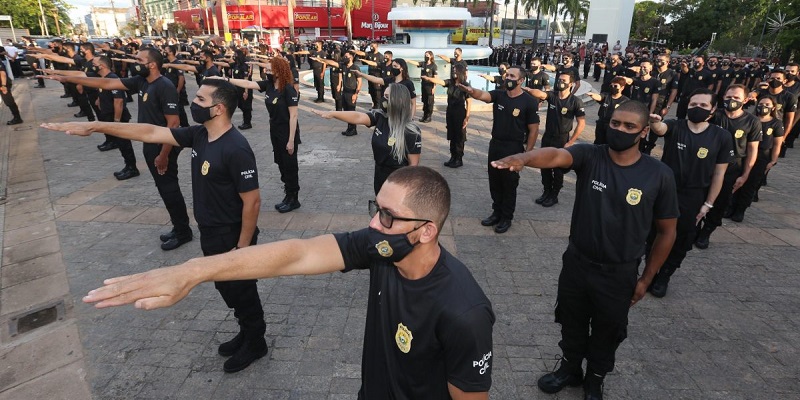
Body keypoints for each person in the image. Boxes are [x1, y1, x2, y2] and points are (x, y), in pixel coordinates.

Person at [80, 166, 494, 399]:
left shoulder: (463, 311)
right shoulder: (383, 247)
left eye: (386, 215)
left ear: (425, 231)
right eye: (375, 208)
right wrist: (193, 271)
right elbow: (298, 252)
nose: (372, 223)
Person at [43, 79, 268, 374]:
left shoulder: (236, 147)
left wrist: (242, 248)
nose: (192, 103)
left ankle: (256, 341)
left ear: (219, 108)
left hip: (232, 235)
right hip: (210, 231)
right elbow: (150, 131)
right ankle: (245, 329)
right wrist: (98, 126)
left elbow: (252, 202)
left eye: (200, 100)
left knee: (242, 290)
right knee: (226, 288)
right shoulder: (200, 135)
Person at [492, 101, 679, 400]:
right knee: (571, 320)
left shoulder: (659, 174)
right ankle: (569, 369)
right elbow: (556, 154)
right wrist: (524, 157)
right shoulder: (591, 155)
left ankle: (594, 379)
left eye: (629, 126)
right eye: (615, 123)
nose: (619, 129)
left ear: (644, 132)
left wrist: (646, 279)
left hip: (619, 272)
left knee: (608, 330)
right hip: (577, 264)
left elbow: (667, 232)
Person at [39, 48, 193, 251]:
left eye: (139, 59)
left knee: (168, 187)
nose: (134, 62)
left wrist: (164, 154)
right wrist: (65, 78)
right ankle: (178, 226)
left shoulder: (164, 86)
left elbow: (173, 123)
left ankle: (183, 232)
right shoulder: (142, 82)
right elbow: (105, 83)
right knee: (163, 187)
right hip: (149, 142)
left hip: (163, 145)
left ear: (152, 64)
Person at [645, 89, 733, 297]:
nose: (697, 108)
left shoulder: (721, 136)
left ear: (713, 109)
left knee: (682, 238)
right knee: (652, 234)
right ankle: (649, 273)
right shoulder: (676, 126)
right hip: (665, 192)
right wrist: (653, 121)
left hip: (694, 196)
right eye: (693, 104)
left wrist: (708, 204)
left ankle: (664, 275)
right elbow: (660, 129)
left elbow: (719, 174)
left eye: (703, 105)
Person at [461, 66, 539, 233]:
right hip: (495, 144)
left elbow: (533, 129)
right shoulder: (499, 94)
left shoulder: (529, 102)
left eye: (512, 76)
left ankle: (506, 217)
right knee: (494, 181)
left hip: (514, 147)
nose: (508, 78)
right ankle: (496, 213)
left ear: (521, 80)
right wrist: (471, 90)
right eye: (507, 75)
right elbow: (483, 95)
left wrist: (527, 155)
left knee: (509, 184)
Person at [219, 56, 302, 213]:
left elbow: (294, 116)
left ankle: (294, 198)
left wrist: (291, 140)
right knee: (281, 164)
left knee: (290, 166)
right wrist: (227, 80)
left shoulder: (288, 89)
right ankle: (288, 194)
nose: (267, 71)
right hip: (275, 131)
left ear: (279, 71)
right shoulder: (269, 85)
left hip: (287, 133)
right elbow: (248, 83)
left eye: (270, 69)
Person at [313, 83, 421, 195]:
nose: (384, 99)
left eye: (388, 97)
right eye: (384, 95)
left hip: (399, 181)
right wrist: (332, 114)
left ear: (398, 100)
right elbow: (358, 117)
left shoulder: (411, 131)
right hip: (379, 175)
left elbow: (413, 166)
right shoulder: (380, 117)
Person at [695, 85, 762, 249]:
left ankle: (706, 232)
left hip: (732, 168)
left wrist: (745, 174)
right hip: (706, 163)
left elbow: (752, 150)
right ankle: (694, 229)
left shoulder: (752, 121)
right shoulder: (713, 116)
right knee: (698, 198)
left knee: (720, 203)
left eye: (737, 98)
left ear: (745, 100)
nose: (732, 101)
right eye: (729, 97)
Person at [524, 72, 586, 207]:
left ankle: (554, 195)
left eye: (563, 80)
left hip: (562, 139)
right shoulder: (552, 96)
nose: (560, 82)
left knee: (557, 169)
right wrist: (526, 89)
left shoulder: (575, 101)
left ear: (571, 84)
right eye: (559, 80)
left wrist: (571, 141)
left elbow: (581, 123)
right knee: (544, 165)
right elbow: (540, 94)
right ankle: (546, 191)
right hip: (548, 137)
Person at [731, 95, 784, 220]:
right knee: (737, 181)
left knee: (751, 184)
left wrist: (773, 160)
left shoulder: (776, 123)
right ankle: (731, 207)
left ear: (773, 107)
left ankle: (740, 210)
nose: (763, 107)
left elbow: (777, 144)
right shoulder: (750, 119)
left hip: (762, 156)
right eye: (761, 104)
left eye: (767, 105)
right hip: (745, 154)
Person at [93, 55, 138, 180]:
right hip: (110, 117)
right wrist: (99, 99)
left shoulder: (113, 78)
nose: (93, 65)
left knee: (124, 144)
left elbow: (119, 101)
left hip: (118, 118)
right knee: (121, 144)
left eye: (94, 63)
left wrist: (117, 121)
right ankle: (128, 166)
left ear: (101, 65)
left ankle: (132, 168)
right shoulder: (104, 78)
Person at [422, 63, 471, 168]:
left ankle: (459, 158)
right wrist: (429, 79)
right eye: (453, 70)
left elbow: (469, 102)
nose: (453, 72)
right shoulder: (451, 83)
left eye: (455, 70)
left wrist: (467, 117)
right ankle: (452, 157)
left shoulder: (465, 85)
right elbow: (440, 81)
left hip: (460, 113)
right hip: (450, 112)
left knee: (459, 136)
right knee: (452, 134)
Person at [586, 76, 630, 145]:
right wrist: (593, 95)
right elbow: (600, 97)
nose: (613, 87)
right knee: (598, 142)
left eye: (615, 86)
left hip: (614, 126)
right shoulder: (606, 96)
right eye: (611, 85)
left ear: (622, 88)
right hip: (601, 124)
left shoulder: (625, 101)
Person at [0, 47, 22, 125]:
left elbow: (2, 73)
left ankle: (17, 118)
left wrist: (3, 85)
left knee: (9, 101)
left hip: (3, 83)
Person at [419, 50, 438, 123]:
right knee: (424, 101)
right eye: (425, 55)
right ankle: (424, 115)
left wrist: (434, 87)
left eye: (427, 55)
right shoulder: (423, 64)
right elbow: (417, 63)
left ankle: (429, 116)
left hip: (430, 86)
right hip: (423, 85)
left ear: (431, 56)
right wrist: (408, 61)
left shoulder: (433, 66)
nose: (426, 56)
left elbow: (436, 77)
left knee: (430, 102)